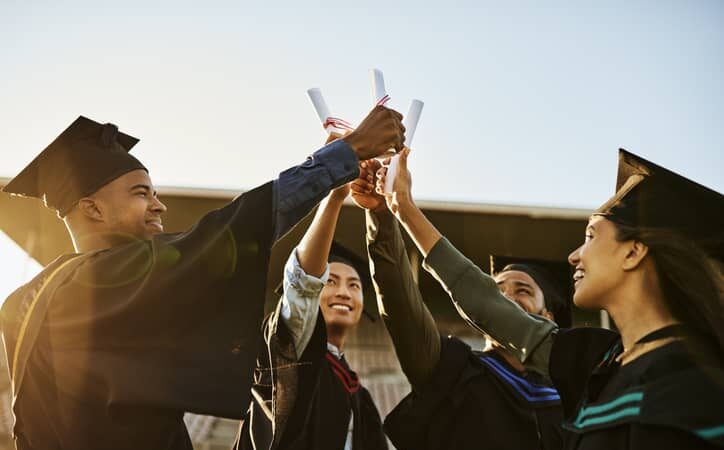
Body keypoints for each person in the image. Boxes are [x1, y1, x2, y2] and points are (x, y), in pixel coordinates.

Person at [0, 108, 404, 450]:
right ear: (92, 209)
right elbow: (233, 230)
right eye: (141, 193)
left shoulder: (22, 302)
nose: (159, 205)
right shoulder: (105, 280)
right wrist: (344, 155)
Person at [377, 148, 724, 449]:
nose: (574, 255)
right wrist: (402, 207)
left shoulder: (699, 380)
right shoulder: (597, 361)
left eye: (590, 236)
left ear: (633, 253)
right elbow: (486, 304)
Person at [348, 155, 569, 450]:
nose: (506, 299)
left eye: (523, 291)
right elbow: (401, 304)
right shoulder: (452, 370)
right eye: (497, 289)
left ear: (549, 317)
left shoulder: (571, 395)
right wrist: (381, 216)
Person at [237, 174, 387, 450]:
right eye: (331, 281)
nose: (344, 292)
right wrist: (334, 198)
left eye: (354, 285)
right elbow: (303, 285)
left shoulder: (360, 396)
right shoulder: (293, 355)